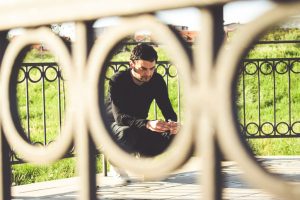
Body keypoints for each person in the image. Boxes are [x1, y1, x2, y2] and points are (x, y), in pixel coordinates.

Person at [106, 43, 180, 157]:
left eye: (152, 68)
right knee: (127, 133)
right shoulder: (118, 80)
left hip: (139, 124)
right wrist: (148, 124)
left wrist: (172, 124)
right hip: (113, 126)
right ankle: (117, 163)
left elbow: (167, 110)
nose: (148, 73)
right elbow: (120, 117)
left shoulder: (157, 80)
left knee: (174, 134)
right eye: (143, 69)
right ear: (131, 64)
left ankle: (145, 164)